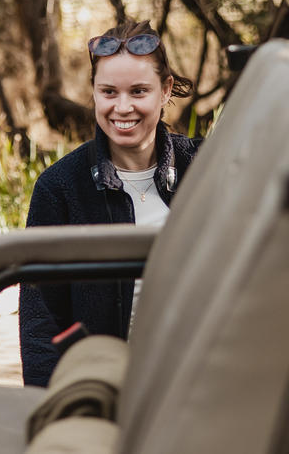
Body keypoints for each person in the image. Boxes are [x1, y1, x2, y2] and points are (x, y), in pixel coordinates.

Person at [18, 20, 202, 386]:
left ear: (165, 90)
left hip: (197, 386)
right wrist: (54, 408)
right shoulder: (60, 187)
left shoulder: (204, 167)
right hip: (104, 389)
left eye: (138, 91)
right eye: (108, 92)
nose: (123, 108)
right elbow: (40, 323)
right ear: (94, 92)